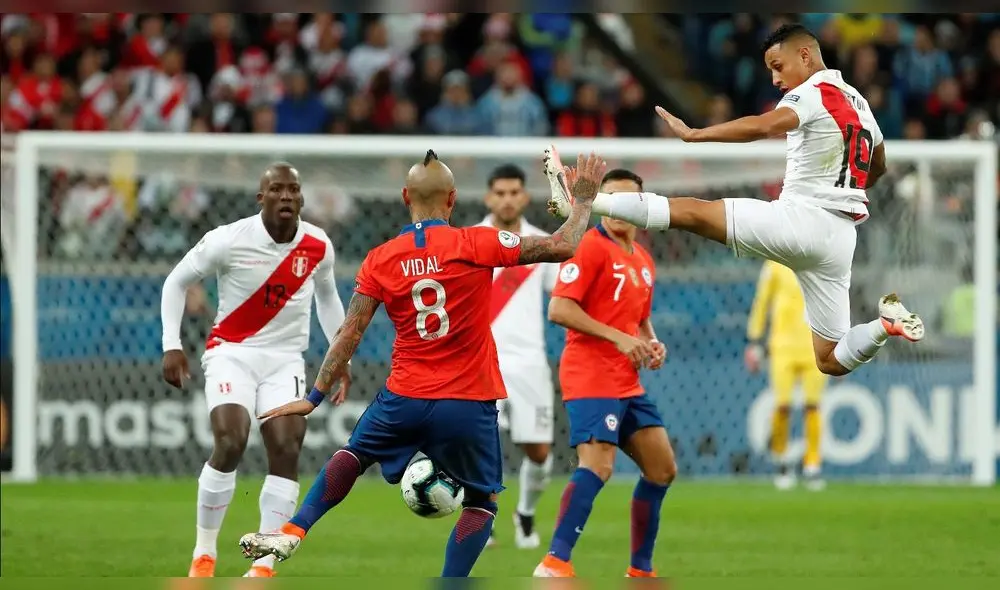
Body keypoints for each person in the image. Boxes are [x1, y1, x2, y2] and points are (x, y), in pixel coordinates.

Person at [238, 146, 606, 577]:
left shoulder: (380, 258)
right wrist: (581, 200)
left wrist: (315, 395)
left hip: (405, 394)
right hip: (468, 400)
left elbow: (349, 333)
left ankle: (295, 529)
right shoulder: (476, 242)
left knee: (353, 455)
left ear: (404, 197)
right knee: (482, 503)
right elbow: (564, 245)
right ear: (452, 200)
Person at [549, 23, 925, 379]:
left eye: (779, 67)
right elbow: (878, 166)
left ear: (806, 56)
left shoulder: (812, 93)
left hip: (800, 221)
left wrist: (696, 134)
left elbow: (764, 126)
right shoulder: (860, 103)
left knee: (692, 213)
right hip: (841, 239)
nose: (776, 79)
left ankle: (583, 203)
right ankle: (883, 325)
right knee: (830, 359)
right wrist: (846, 186)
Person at [160, 163, 348, 578]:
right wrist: (171, 345)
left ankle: (263, 563)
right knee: (230, 440)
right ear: (260, 198)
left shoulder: (318, 245)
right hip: (232, 353)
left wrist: (342, 358)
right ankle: (204, 552)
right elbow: (175, 282)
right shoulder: (227, 240)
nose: (286, 196)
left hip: (285, 360)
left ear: (302, 199)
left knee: (286, 446)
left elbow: (328, 300)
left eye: (293, 190)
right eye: (276, 189)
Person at [534, 169, 673, 579]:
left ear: (640, 207)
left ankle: (640, 571)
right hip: (590, 375)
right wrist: (619, 338)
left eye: (624, 199)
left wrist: (651, 341)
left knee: (662, 468)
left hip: (627, 380)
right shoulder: (590, 247)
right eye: (607, 197)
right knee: (597, 466)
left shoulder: (644, 261)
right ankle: (555, 561)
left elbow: (639, 321)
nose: (615, 206)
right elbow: (559, 309)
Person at [477, 164, 559, 549]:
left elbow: (563, 296)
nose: (507, 199)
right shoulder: (470, 241)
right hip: (479, 362)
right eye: (500, 192)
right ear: (488, 197)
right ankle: (483, 518)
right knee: (480, 445)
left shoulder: (543, 244)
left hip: (529, 362)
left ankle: (524, 512)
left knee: (539, 451)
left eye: (514, 192)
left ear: (525, 197)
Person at [745, 260, 827, 491]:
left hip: (814, 346)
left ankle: (812, 465)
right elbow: (762, 301)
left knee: (813, 405)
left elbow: (832, 301)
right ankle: (781, 460)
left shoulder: (817, 259)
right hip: (781, 347)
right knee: (782, 405)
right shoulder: (774, 264)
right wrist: (754, 339)